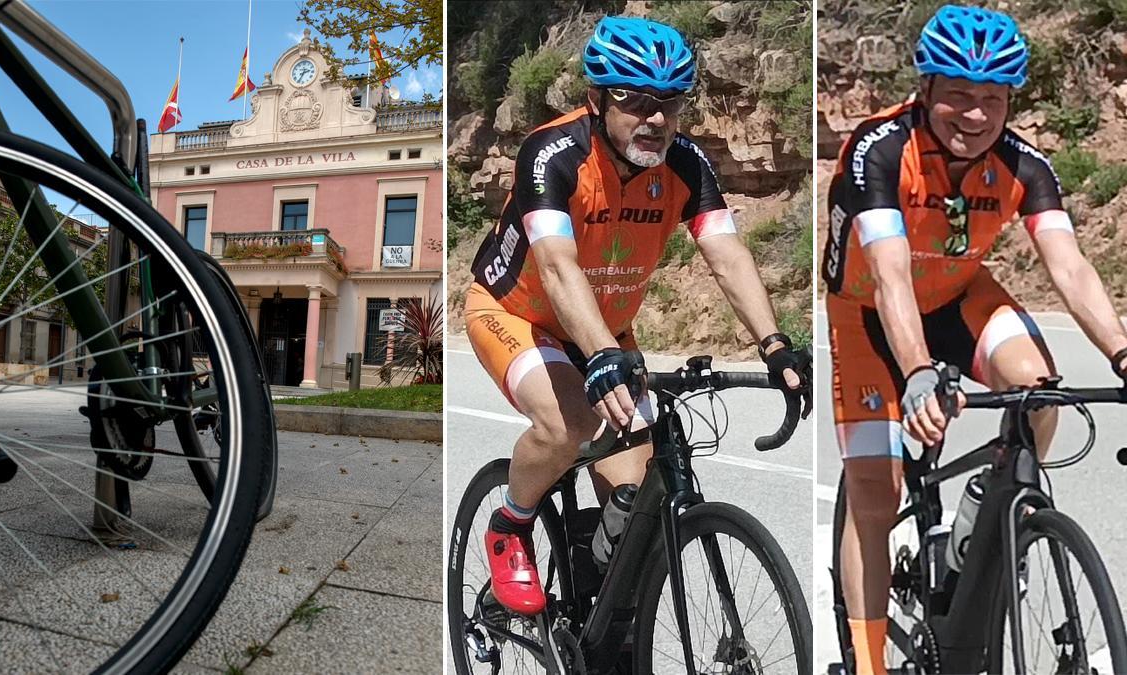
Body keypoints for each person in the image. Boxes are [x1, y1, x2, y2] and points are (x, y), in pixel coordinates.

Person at [464, 15, 810, 615]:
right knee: (571, 423)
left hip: (606, 332)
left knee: (634, 497)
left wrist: (775, 345)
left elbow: (727, 256)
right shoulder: (553, 153)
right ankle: (510, 525)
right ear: (597, 99)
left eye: (670, 104)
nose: (656, 119)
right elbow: (556, 267)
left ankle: (591, 599)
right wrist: (599, 357)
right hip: (517, 315)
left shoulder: (686, 164)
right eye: (637, 101)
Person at [822, 5, 1127, 674]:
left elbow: (1069, 264)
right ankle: (869, 663)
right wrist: (919, 371)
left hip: (959, 297)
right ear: (925, 89)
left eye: (993, 98)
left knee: (1040, 395)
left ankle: (989, 521)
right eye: (958, 94)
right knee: (876, 489)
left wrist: (1122, 352)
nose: (976, 113)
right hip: (869, 310)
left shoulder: (1024, 163)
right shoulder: (880, 150)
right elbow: (891, 274)